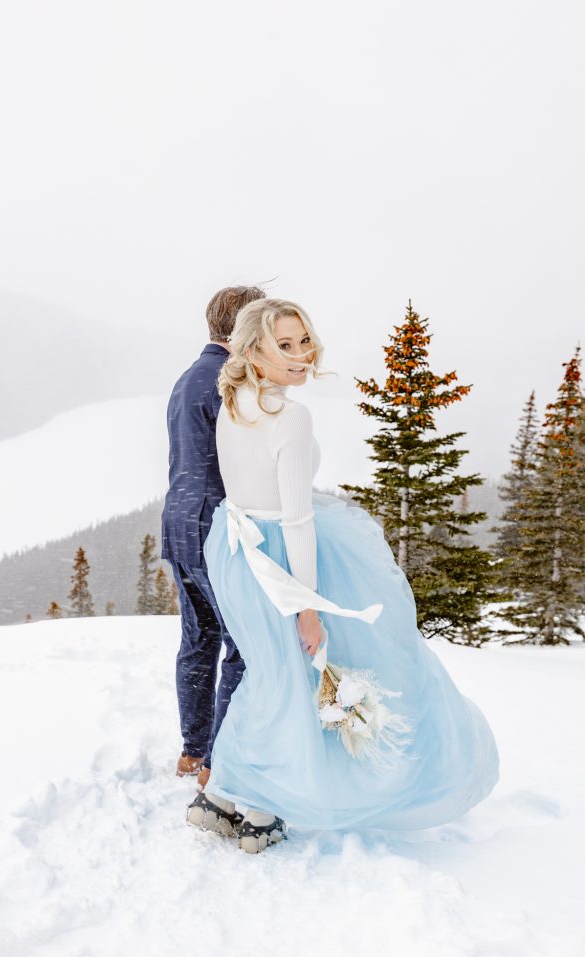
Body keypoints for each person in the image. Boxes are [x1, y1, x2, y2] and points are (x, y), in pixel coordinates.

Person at [186, 297, 499, 854]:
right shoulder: (290, 416)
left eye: (304, 340)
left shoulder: (234, 399)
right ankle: (260, 809)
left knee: (268, 674)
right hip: (278, 556)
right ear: (254, 349)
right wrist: (310, 607)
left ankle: (223, 798)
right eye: (285, 345)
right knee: (292, 676)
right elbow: (297, 520)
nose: (302, 354)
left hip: (233, 551)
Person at [161, 285, 265, 789]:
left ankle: (192, 749)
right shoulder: (226, 381)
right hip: (213, 525)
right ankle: (217, 761)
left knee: (197, 639)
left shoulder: (188, 377)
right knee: (242, 643)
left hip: (178, 521)